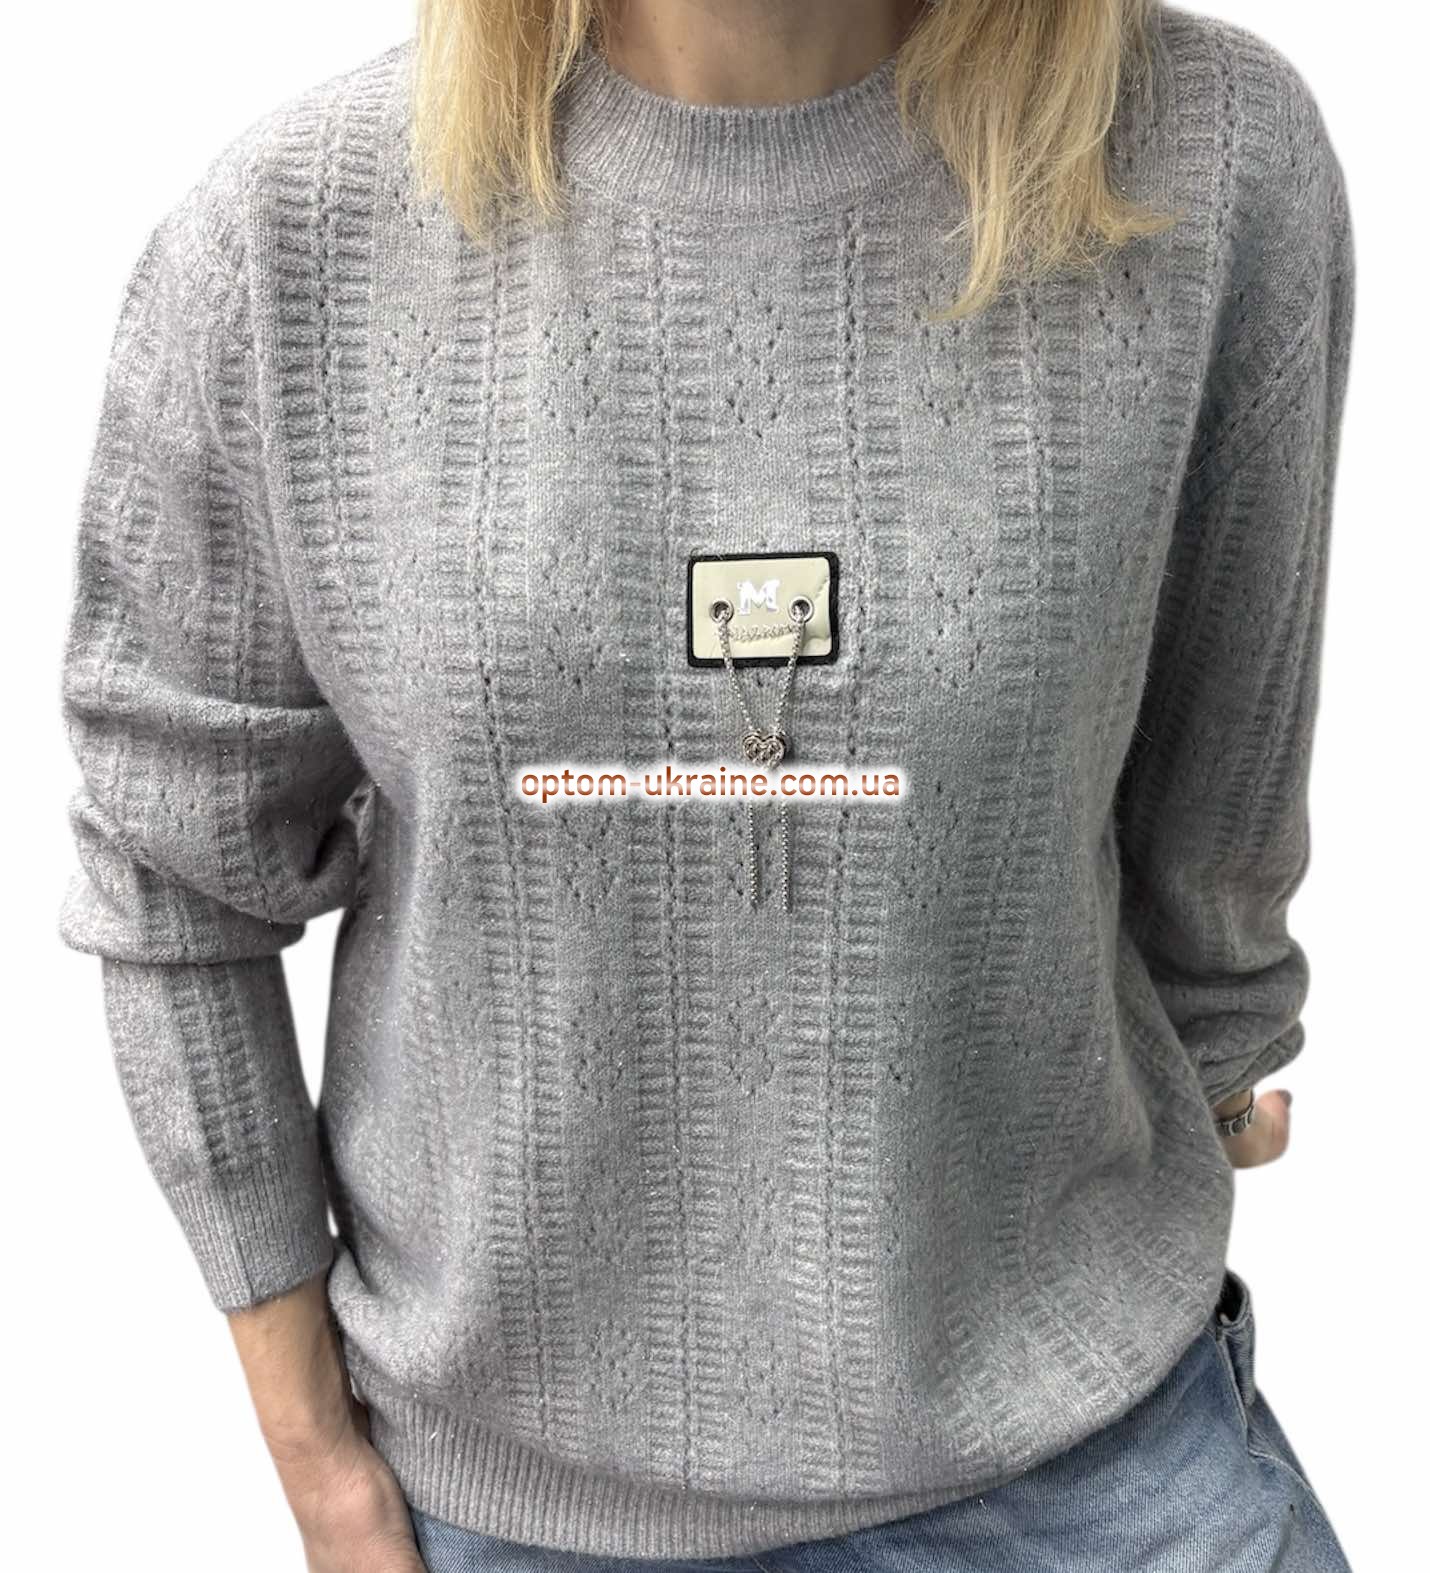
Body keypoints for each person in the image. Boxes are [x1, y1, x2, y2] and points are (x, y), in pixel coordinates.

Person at [56, 0, 1356, 1568]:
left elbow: (1220, 774)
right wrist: (314, 1459)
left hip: (1094, 1464)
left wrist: (1213, 1049)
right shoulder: (291, 236)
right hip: (519, 1500)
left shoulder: (1206, 156)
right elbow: (173, 868)